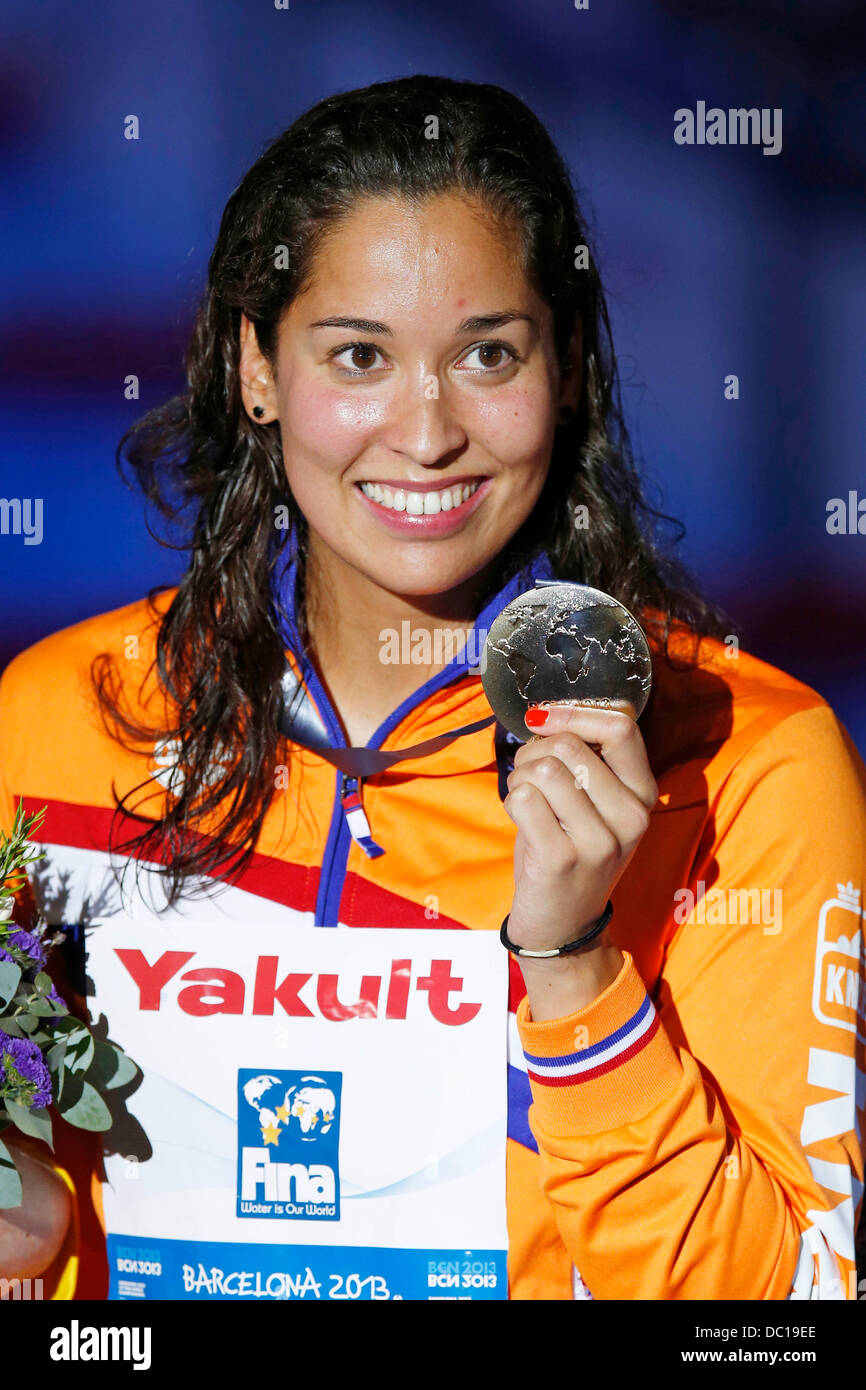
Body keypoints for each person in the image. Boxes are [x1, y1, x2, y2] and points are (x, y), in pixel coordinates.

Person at [0, 74, 863, 1302]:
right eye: (358, 355)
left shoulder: (743, 765)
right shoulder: (55, 722)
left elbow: (783, 1319)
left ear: (564, 370)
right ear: (256, 367)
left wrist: (574, 970)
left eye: (487, 355)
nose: (425, 432)